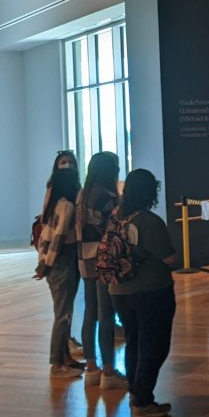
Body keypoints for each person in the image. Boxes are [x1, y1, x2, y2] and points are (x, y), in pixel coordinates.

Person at [108, 169, 179, 417]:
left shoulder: (115, 217)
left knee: (134, 341)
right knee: (154, 345)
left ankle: (136, 394)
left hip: (119, 290)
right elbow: (170, 258)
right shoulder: (149, 221)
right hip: (151, 291)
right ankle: (143, 400)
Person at [76, 151, 126, 389]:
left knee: (90, 313)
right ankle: (108, 371)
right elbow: (114, 230)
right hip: (104, 259)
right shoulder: (107, 197)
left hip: (84, 259)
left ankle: (91, 368)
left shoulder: (82, 196)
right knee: (106, 315)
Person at [36, 167, 84, 378]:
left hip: (55, 263)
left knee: (64, 312)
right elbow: (59, 237)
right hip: (62, 262)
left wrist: (43, 261)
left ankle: (65, 357)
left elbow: (44, 238)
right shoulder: (66, 206)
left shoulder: (52, 205)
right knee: (62, 314)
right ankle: (57, 364)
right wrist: (48, 262)